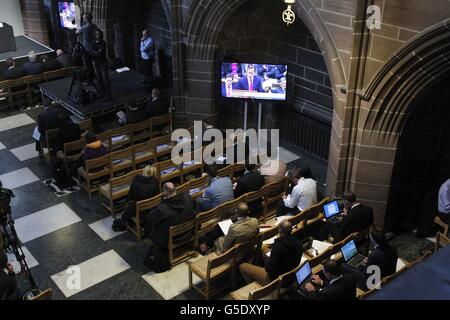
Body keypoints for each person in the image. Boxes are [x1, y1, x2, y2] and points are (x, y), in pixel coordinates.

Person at [239, 220, 302, 286]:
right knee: (264, 250)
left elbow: (269, 269)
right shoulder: (298, 243)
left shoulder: (278, 247)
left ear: (279, 230)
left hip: (275, 279)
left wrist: (268, 262)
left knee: (242, 266)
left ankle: (257, 286)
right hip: (290, 274)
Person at [144, 182, 195, 250]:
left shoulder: (162, 209)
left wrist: (163, 202)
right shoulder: (188, 198)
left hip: (173, 239)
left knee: (150, 225)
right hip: (188, 232)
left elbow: (149, 218)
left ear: (165, 193)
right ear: (175, 189)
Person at [115, 166, 160, 230]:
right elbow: (156, 197)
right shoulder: (155, 183)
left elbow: (130, 196)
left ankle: (127, 222)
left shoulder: (136, 182)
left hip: (138, 209)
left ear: (144, 172)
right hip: (151, 209)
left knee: (128, 210)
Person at [91, 29, 111, 100]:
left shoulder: (103, 43)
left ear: (101, 35)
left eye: (98, 34)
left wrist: (95, 52)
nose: (97, 35)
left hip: (103, 63)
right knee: (99, 79)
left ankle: (108, 96)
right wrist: (95, 52)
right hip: (96, 63)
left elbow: (100, 53)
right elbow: (91, 52)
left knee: (106, 80)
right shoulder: (94, 42)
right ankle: (102, 93)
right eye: (96, 34)